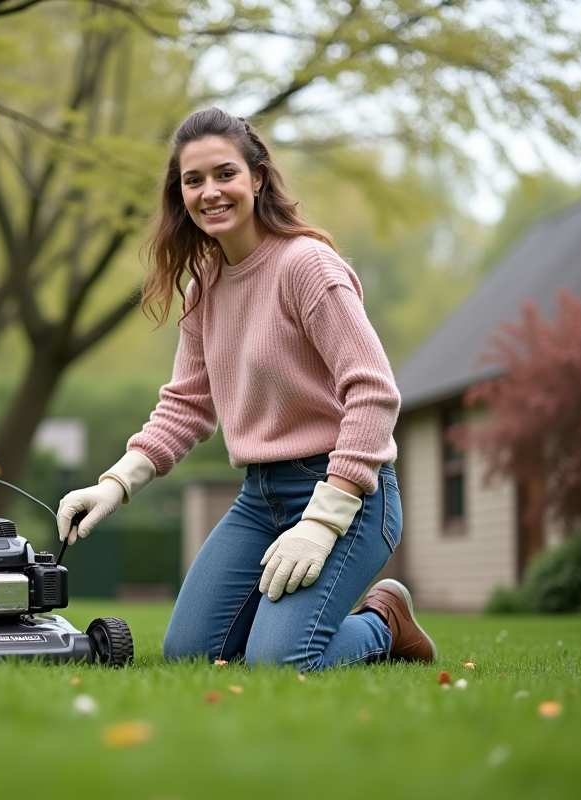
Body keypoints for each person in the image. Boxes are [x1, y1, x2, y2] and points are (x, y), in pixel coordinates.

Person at [56, 107, 436, 671]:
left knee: (280, 662)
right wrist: (115, 484)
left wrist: (323, 519)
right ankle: (294, 622)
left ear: (257, 178)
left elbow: (374, 392)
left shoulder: (306, 266)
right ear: (179, 193)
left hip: (350, 496)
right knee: (189, 653)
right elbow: (186, 405)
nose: (210, 191)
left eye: (225, 174)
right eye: (193, 180)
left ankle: (384, 623)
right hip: (261, 499)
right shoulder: (203, 286)